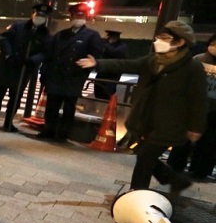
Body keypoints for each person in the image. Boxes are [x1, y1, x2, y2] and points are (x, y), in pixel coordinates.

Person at [77, 20, 207, 194]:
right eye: (159, 37)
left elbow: (198, 100)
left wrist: (195, 127)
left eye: (166, 38)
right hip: (146, 119)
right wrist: (98, 64)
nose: (159, 41)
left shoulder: (193, 68)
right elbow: (128, 64)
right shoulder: (153, 60)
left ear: (180, 42)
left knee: (145, 158)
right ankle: (175, 180)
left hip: (170, 123)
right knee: (144, 153)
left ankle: (137, 194)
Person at [35, 3, 104, 142]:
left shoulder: (92, 35)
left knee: (69, 108)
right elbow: (50, 53)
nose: (78, 18)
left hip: (74, 77)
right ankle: (49, 130)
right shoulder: (61, 34)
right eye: (76, 16)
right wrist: (45, 72)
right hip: (56, 76)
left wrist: (85, 69)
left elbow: (96, 57)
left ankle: (63, 134)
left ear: (86, 17)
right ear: (71, 17)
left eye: (81, 16)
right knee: (52, 106)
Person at [0, 3, 50, 132]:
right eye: (38, 15)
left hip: (23, 70)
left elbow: (45, 52)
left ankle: (8, 122)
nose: (40, 18)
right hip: (6, 66)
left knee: (15, 99)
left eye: (43, 16)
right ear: (33, 14)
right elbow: (4, 39)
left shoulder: (45, 34)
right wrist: (8, 54)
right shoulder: (18, 26)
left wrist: (31, 60)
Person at [165, 32, 216, 180]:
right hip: (192, 106)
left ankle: (200, 170)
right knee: (184, 138)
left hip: (214, 110)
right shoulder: (198, 60)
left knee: (209, 142)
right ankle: (175, 165)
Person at [93, 29, 129, 100]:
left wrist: (106, 45)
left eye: (111, 36)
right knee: (98, 91)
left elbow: (115, 52)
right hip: (102, 73)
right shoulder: (105, 44)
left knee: (108, 92)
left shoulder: (122, 46)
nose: (109, 38)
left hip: (112, 74)